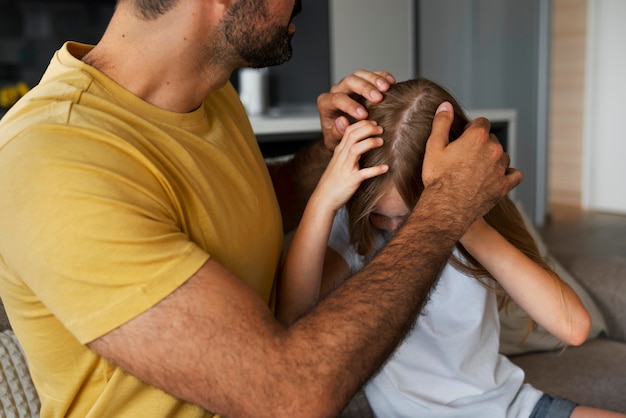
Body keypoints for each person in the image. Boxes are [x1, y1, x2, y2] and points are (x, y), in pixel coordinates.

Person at [0, 0, 521, 416]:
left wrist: (330, 153)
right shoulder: (51, 155)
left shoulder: (211, 96)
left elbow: (234, 210)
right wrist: (446, 208)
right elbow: (288, 397)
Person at [277, 78, 626, 418]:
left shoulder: (469, 225)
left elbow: (574, 327)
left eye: (412, 214)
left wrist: (460, 217)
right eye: (383, 217)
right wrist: (323, 200)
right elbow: (291, 318)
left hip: (512, 405)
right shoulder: (359, 234)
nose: (399, 230)